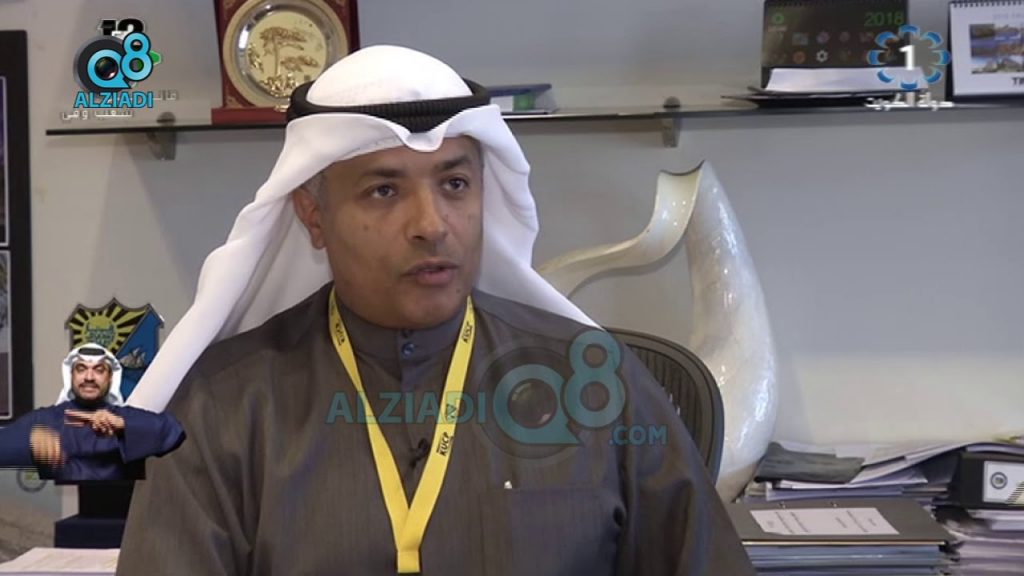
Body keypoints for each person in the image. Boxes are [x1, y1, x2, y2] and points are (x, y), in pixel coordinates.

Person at [117, 45, 755, 575]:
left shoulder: (599, 384)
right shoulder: (221, 409)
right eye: (384, 190)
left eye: (455, 184)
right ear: (313, 215)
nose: (432, 224)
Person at [0, 344, 186, 481]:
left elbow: (174, 432)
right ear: (71, 375)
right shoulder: (44, 420)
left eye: (99, 370)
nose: (89, 377)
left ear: (110, 377)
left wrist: (124, 426)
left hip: (121, 517)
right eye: (81, 369)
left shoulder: (126, 416)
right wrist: (30, 439)